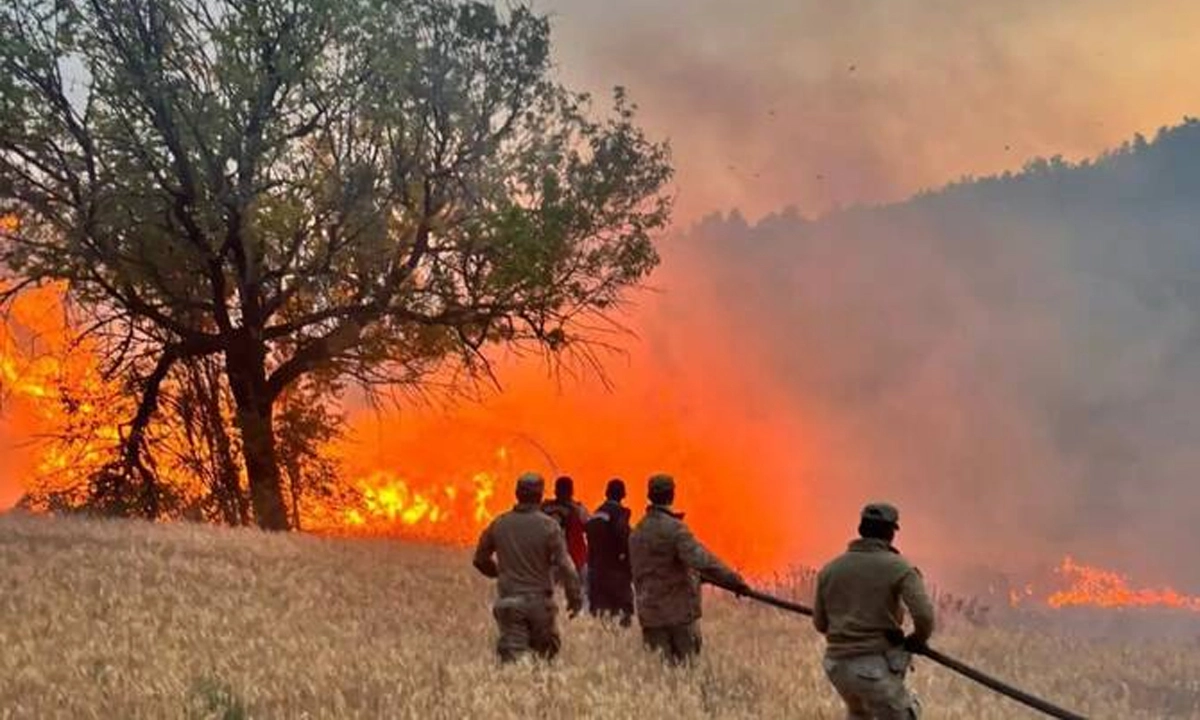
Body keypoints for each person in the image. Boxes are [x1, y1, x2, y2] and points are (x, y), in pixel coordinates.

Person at [812, 503, 935, 719]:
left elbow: (821, 624)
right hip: (873, 668)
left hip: (837, 667)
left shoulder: (830, 570)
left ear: (861, 529)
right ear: (890, 533)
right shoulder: (900, 569)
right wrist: (916, 640)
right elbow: (924, 616)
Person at [629, 474, 749, 664]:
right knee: (688, 676)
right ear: (671, 495)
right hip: (678, 616)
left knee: (660, 679)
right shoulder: (675, 530)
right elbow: (702, 561)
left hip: (650, 617)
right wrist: (734, 581)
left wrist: (697, 577)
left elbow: (650, 570)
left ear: (650, 495)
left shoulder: (637, 533)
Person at [473, 472, 584, 663]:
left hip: (510, 604)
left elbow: (480, 559)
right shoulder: (549, 526)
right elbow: (566, 566)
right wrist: (574, 597)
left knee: (513, 665)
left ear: (517, 494)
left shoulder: (499, 524)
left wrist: (500, 573)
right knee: (544, 662)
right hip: (540, 605)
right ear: (540, 495)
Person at [584, 478, 634, 626]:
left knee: (601, 621)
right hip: (617, 575)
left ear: (606, 493)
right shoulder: (619, 514)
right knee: (623, 620)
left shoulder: (595, 515)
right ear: (623, 494)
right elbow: (626, 541)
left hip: (596, 574)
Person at [541, 475, 590, 575]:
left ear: (555, 491)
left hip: (548, 561)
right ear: (571, 491)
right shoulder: (578, 510)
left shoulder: (544, 508)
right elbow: (590, 527)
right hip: (573, 560)